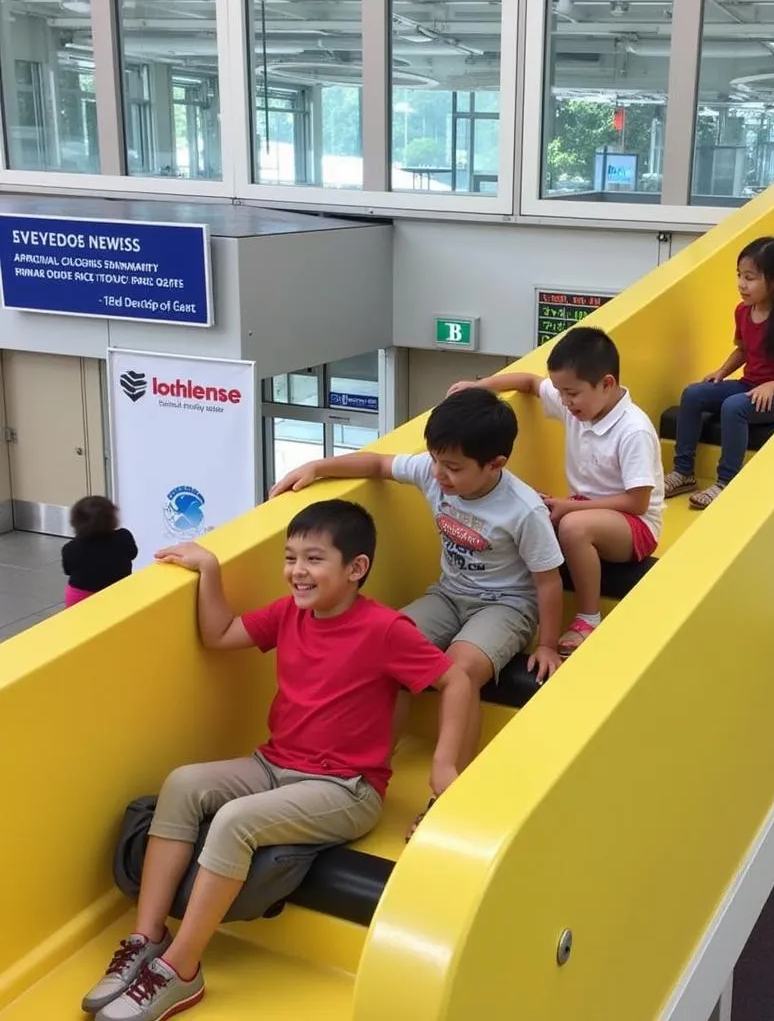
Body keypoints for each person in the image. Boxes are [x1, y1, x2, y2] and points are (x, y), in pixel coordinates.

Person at [81, 499, 472, 1021]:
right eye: (291, 558)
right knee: (182, 783)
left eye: (313, 559)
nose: (297, 572)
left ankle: (182, 970)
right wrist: (209, 568)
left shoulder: (384, 629)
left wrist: (444, 766)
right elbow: (220, 635)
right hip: (273, 764)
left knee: (234, 820)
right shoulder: (290, 613)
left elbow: (457, 679)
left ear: (356, 569)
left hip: (345, 788)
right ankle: (146, 938)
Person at [270, 388, 565, 798]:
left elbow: (548, 580)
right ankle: (361, 772)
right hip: (447, 594)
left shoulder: (523, 508)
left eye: (453, 468)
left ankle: (448, 789)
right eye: (435, 461)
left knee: (459, 670)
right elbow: (376, 463)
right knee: (384, 653)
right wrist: (318, 467)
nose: (440, 475)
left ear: (495, 464)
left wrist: (548, 645)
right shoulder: (432, 472)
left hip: (506, 606)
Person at [448, 327, 664, 656]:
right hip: (586, 507)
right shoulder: (578, 402)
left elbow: (638, 503)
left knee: (574, 527)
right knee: (526, 510)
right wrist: (478, 387)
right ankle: (510, 605)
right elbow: (528, 383)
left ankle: (588, 617)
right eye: (561, 392)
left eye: (572, 393)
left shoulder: (633, 430)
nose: (564, 401)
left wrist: (569, 508)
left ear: (606, 384)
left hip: (634, 526)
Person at [666, 236, 774, 510]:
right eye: (739, 275)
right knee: (693, 394)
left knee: (734, 407)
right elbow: (744, 350)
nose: (741, 284)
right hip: (751, 383)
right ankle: (683, 472)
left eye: (750, 278)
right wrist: (722, 371)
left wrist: (772, 387)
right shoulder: (744, 311)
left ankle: (726, 481)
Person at [61, 495, 137, 608]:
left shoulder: (70, 548)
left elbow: (68, 570)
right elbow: (133, 554)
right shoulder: (123, 537)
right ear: (112, 518)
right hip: (119, 593)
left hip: (80, 598)